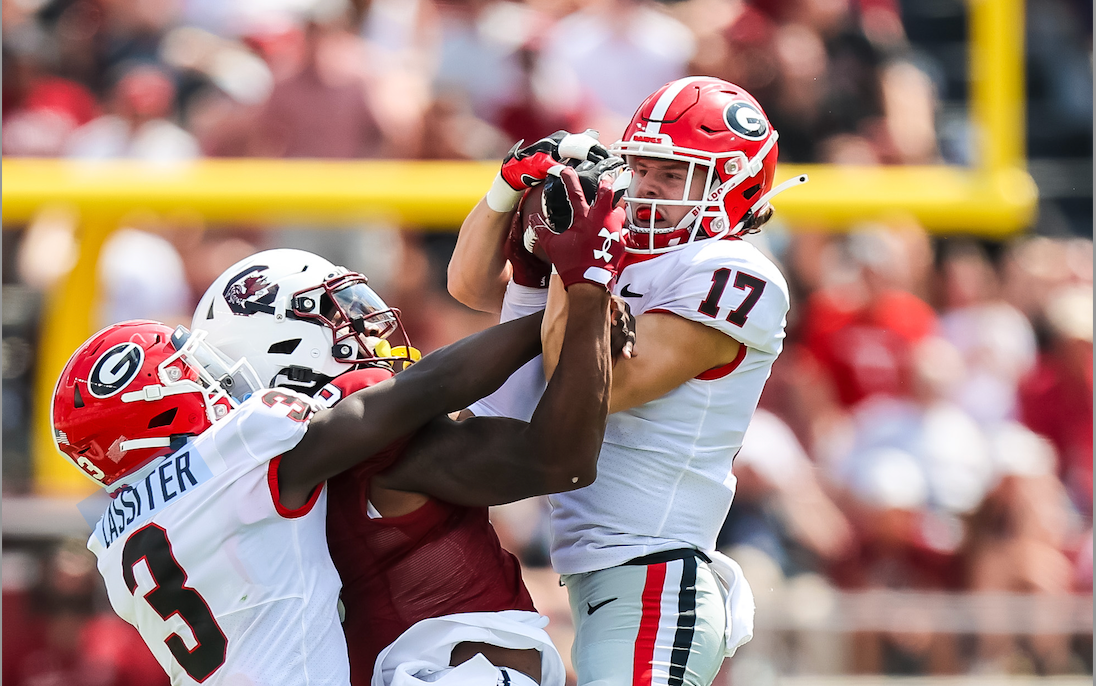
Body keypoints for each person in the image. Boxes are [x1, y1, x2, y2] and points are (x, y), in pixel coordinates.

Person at [52, 186, 625, 686]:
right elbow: (469, 412)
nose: (366, 322)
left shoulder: (111, 542)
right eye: (334, 313)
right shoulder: (256, 453)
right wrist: (578, 296)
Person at [448, 76, 806, 686]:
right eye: (640, 166)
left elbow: (594, 386)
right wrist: (506, 192)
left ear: (735, 184)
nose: (645, 187)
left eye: (672, 174)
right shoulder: (623, 249)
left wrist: (577, 270)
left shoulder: (734, 271)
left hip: (655, 572)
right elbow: (470, 287)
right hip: (605, 572)